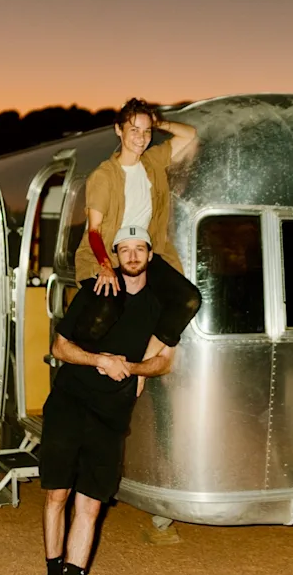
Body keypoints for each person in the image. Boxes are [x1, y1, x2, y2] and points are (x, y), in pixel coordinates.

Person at [38, 226, 175, 575]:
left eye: (139, 249)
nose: (132, 255)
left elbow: (164, 361)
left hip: (109, 416)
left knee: (92, 506)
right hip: (69, 404)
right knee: (57, 495)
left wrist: (129, 367)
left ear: (149, 255)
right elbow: (60, 347)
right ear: (115, 256)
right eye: (125, 250)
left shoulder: (159, 306)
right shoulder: (97, 293)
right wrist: (99, 359)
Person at [73, 98, 202, 374]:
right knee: (109, 306)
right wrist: (106, 266)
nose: (141, 138)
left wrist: (157, 122)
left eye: (146, 131)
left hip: (143, 254)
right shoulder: (104, 176)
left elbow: (189, 135)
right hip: (108, 253)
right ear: (118, 130)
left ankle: (143, 363)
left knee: (188, 299)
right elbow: (94, 230)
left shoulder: (153, 162)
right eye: (134, 130)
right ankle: (84, 361)